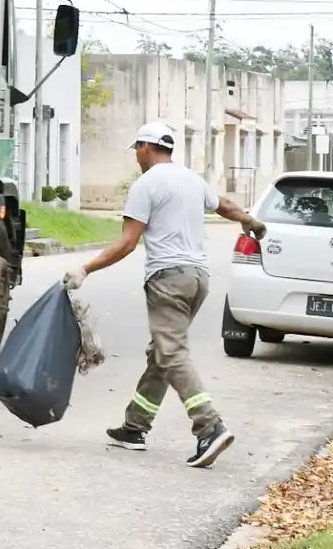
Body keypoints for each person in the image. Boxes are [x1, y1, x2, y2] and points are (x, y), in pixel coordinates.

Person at [63, 122, 266, 469]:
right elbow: (225, 205)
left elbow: (128, 242)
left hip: (168, 280)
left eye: (137, 150)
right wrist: (249, 221)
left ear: (145, 146)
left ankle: (209, 425)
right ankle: (134, 427)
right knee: (161, 352)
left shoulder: (146, 184)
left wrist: (86, 269)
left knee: (171, 353)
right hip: (197, 279)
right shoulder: (190, 178)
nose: (136, 158)